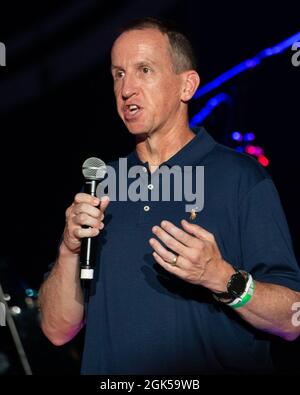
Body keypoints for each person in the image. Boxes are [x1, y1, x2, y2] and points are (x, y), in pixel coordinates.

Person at [38, 17, 300, 374]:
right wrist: (68, 250)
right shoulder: (102, 185)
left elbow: (292, 319)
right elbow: (56, 330)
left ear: (186, 86)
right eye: (118, 74)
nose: (126, 88)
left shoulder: (241, 177)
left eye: (144, 70)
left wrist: (223, 278)